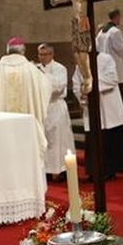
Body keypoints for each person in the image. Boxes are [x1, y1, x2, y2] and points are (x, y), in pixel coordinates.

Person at [73, 50, 123, 180]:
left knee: (110, 137)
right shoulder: (81, 64)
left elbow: (112, 79)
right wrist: (82, 94)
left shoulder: (106, 58)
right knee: (94, 140)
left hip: (108, 105)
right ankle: (94, 171)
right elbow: (76, 83)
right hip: (92, 106)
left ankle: (110, 170)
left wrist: (90, 84)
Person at [0, 38, 51, 156]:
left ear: (7, 50)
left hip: (3, 129)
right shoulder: (31, 70)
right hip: (28, 128)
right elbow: (45, 90)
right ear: (23, 51)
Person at [36, 43, 75, 182]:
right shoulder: (35, 69)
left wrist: (44, 75)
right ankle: (46, 170)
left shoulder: (60, 68)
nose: (43, 57)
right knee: (44, 140)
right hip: (42, 108)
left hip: (56, 106)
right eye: (40, 54)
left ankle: (62, 169)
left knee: (60, 140)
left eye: (45, 54)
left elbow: (58, 87)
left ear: (52, 55)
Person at [96, 8, 123, 111]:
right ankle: (122, 114)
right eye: (119, 17)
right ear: (117, 17)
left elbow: (97, 46)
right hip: (115, 64)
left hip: (104, 65)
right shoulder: (115, 31)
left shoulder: (101, 32)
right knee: (118, 90)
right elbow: (121, 49)